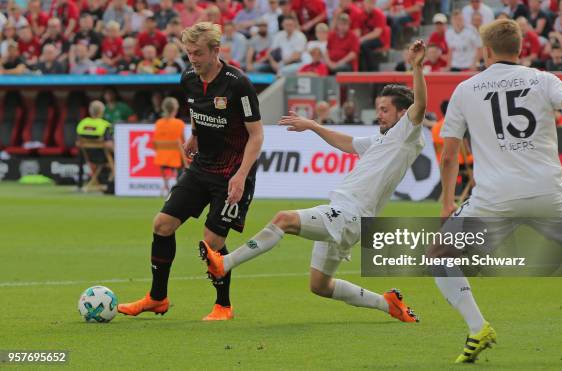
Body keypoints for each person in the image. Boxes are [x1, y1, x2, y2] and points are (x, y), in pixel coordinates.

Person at [201, 40, 428, 324]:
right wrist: (313, 126)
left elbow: (419, 106)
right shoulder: (384, 139)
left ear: (402, 114)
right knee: (320, 285)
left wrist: (417, 67)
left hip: (349, 214)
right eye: (378, 109)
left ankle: (225, 263)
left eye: (384, 110)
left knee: (283, 219)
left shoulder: (408, 134)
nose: (379, 115)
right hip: (348, 215)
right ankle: (388, 304)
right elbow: (348, 143)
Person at [431, 19, 562, 363]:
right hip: (547, 191)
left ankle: (477, 327)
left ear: (485, 51)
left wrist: (447, 202)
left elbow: (450, 154)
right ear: (521, 49)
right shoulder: (543, 79)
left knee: (439, 256)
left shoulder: (466, 89)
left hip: (493, 198)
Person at [118, 22, 264, 321]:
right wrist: (195, 134)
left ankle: (223, 305)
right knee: (162, 224)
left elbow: (257, 135)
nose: (193, 59)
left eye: (198, 53)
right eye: (188, 53)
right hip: (202, 166)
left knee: (212, 241)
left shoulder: (238, 83)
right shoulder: (189, 79)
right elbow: (196, 109)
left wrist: (240, 176)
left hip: (233, 173)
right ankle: (157, 298)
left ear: (215, 50)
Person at [153, 97, 186, 196]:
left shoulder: (159, 123)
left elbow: (155, 143)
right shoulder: (179, 123)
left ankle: (166, 185)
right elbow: (183, 143)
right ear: (175, 109)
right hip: (175, 160)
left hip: (161, 159)